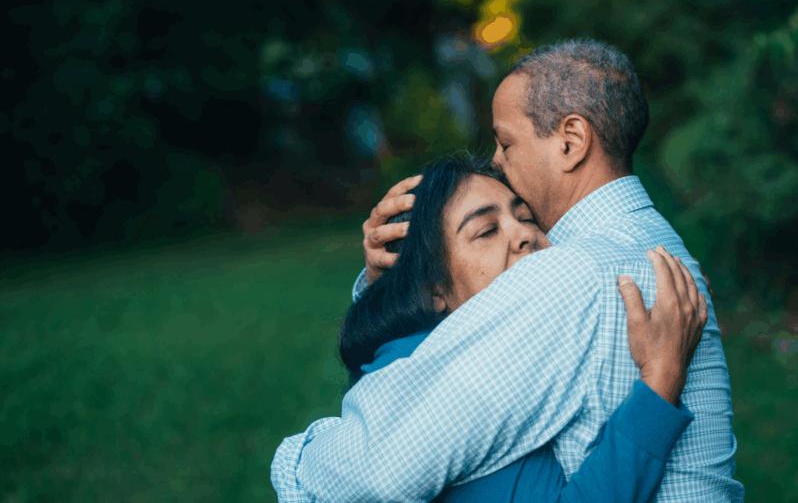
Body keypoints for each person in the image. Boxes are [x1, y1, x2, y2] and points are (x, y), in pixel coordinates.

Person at [274, 39, 743, 501]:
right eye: (486, 229)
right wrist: (393, 281)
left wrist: (296, 458)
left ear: (571, 141)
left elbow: (376, 468)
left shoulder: (572, 274)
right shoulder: (649, 244)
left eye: (506, 142)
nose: (497, 162)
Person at [324, 155, 706, 501]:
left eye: (525, 217)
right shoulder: (469, 389)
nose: (524, 234)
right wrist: (661, 379)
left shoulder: (407, 352)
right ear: (433, 289)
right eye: (487, 231)